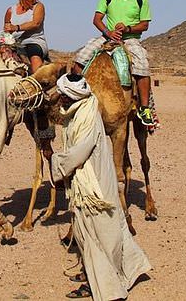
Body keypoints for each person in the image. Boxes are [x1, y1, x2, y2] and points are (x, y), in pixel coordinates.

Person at [50, 74, 151, 300]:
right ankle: (94, 272)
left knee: (97, 231)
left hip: (94, 181)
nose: (60, 100)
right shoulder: (78, 111)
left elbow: (79, 151)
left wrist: (56, 163)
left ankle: (106, 285)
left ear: (71, 96)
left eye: (63, 96)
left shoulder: (87, 116)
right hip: (86, 177)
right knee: (87, 229)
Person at [73, 0, 157, 127]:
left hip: (130, 39)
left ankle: (145, 108)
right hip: (107, 37)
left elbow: (145, 25)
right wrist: (108, 32)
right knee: (81, 58)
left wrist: (128, 29)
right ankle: (75, 96)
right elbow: (97, 19)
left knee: (142, 64)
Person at [3, 0, 48, 73]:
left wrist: (16, 27)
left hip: (33, 41)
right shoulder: (10, 11)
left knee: (34, 53)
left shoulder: (38, 6)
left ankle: (37, 81)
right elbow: (6, 30)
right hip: (15, 43)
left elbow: (36, 23)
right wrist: (5, 40)